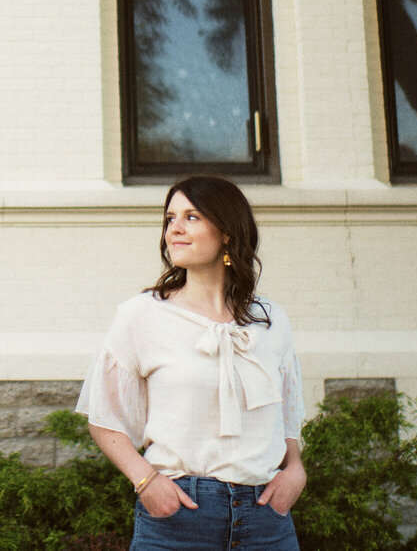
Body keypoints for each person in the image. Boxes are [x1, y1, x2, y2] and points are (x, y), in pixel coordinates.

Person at [77, 175, 306, 551]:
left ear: (228, 232)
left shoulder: (271, 320)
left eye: (191, 217)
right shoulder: (142, 316)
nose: (174, 230)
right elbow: (104, 417)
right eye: (170, 219)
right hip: (179, 516)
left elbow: (287, 411)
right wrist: (146, 482)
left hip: (267, 518)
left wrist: (295, 469)